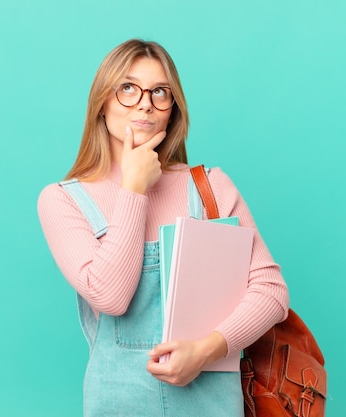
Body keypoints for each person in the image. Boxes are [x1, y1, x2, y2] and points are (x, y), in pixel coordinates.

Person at [37, 39, 289, 417]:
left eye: (160, 92)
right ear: (102, 104)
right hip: (117, 403)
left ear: (172, 110)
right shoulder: (62, 200)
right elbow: (111, 297)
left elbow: (271, 290)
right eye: (128, 88)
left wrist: (206, 349)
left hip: (212, 403)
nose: (144, 103)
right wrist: (134, 188)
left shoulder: (209, 187)